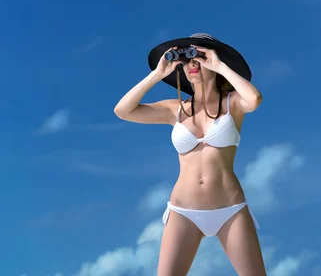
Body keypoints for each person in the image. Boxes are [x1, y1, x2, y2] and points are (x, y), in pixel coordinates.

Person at [114, 33, 266, 276]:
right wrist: (157, 74)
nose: (192, 65)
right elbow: (122, 111)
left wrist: (219, 66)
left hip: (230, 209)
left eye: (199, 57)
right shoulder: (174, 108)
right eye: (186, 60)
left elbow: (255, 98)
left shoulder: (233, 103)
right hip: (183, 211)